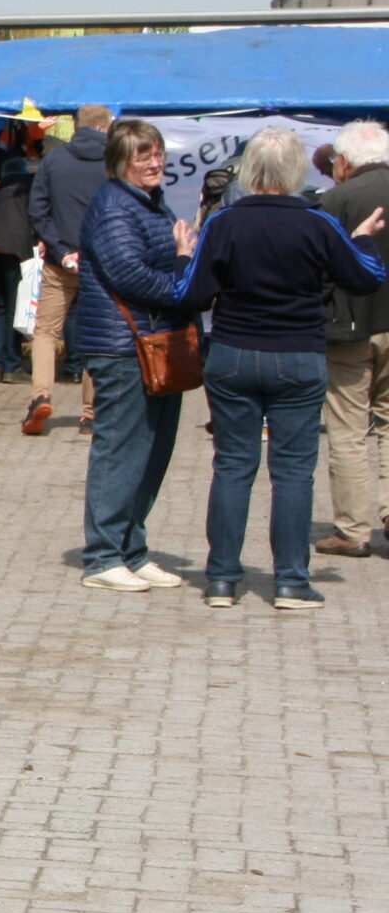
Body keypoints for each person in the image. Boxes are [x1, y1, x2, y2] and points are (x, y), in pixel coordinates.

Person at [170, 126, 387, 607]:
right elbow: (367, 278)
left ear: (248, 170)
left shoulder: (223, 223)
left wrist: (184, 256)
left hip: (233, 354)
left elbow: (190, 295)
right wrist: (363, 240)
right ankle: (290, 581)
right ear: (296, 169)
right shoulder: (318, 222)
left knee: (232, 467)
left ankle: (222, 579)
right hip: (298, 355)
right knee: (292, 473)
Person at [73, 119, 197, 593]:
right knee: (121, 451)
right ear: (120, 161)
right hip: (122, 347)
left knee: (152, 453)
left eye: (158, 153)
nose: (154, 163)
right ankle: (102, 556)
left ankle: (132, 550)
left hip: (155, 342)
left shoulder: (149, 203)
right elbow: (129, 274)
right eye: (143, 156)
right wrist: (183, 278)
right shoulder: (114, 206)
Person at [317, 121, 389, 557]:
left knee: (348, 428)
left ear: (344, 161)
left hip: (350, 328)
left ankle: (353, 528)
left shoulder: (334, 201)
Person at [26, 104, 113, 436]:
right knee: (96, 335)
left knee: (46, 332)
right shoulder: (115, 162)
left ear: (78, 127)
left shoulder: (54, 159)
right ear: (104, 128)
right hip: (101, 263)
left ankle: (41, 395)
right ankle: (91, 413)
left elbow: (37, 210)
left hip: (59, 262)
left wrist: (60, 249)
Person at [0, 156, 38, 383]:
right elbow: (37, 215)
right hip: (14, 248)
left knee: (0, 308)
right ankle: (12, 366)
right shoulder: (27, 184)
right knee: (14, 307)